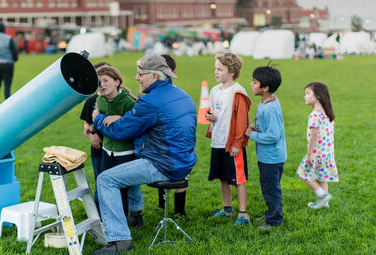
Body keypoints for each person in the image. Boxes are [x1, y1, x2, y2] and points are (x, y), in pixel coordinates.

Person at [91, 54, 197, 254]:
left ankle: (119, 240)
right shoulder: (182, 94)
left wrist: (98, 119)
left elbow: (121, 131)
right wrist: (124, 119)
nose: (137, 78)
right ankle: (134, 214)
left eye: (141, 74)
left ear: (155, 77)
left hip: (164, 165)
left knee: (105, 179)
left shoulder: (150, 102)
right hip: (184, 162)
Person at [206, 53, 251, 226]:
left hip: (232, 144)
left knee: (238, 179)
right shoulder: (215, 90)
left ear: (231, 72)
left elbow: (241, 121)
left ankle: (243, 214)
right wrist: (210, 116)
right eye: (215, 68)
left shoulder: (238, 92)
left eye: (220, 69)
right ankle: (227, 209)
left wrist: (237, 143)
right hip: (218, 141)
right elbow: (213, 113)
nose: (216, 72)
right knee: (223, 177)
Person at [244, 65, 286, 230]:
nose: (251, 85)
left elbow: (273, 136)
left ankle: (274, 220)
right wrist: (256, 129)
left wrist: (250, 134)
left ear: (265, 87)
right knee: (267, 187)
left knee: (271, 189)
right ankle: (271, 213)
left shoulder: (270, 109)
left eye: (255, 82)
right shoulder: (267, 101)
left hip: (272, 157)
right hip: (267, 156)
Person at [94, 66, 137, 218]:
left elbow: (136, 122)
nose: (102, 85)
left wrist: (121, 118)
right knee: (105, 184)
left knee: (122, 187)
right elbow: (97, 121)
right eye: (99, 82)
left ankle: (124, 218)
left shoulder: (128, 101)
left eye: (106, 81)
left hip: (125, 152)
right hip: (107, 150)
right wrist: (94, 130)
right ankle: (105, 219)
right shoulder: (100, 100)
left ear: (117, 82)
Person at [296, 82, 338, 210]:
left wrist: (309, 153)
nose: (305, 96)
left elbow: (314, 135)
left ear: (318, 96)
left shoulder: (314, 115)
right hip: (327, 153)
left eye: (308, 93)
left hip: (316, 153)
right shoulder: (327, 113)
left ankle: (322, 195)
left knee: (303, 173)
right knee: (321, 178)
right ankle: (324, 204)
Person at [155, 54, 187, 217]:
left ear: (173, 72)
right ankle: (163, 205)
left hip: (177, 142)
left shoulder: (178, 94)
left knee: (179, 173)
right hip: (160, 141)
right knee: (161, 168)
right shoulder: (153, 95)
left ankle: (180, 211)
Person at [80, 62, 111, 209]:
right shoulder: (91, 101)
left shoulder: (116, 98)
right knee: (99, 177)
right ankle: (98, 210)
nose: (102, 84)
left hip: (114, 147)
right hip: (97, 148)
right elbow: (87, 122)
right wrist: (92, 132)